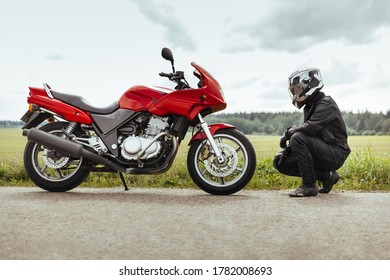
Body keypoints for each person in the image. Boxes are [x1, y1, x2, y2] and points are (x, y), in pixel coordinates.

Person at [273, 68, 351, 197]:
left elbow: (310, 128)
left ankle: (309, 186)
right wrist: (286, 152)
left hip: (336, 153)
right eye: (293, 90)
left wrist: (289, 133)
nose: (295, 93)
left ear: (308, 85)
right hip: (322, 150)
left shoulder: (326, 103)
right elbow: (307, 135)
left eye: (297, 89)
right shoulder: (310, 106)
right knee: (281, 162)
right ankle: (327, 177)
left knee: (297, 137)